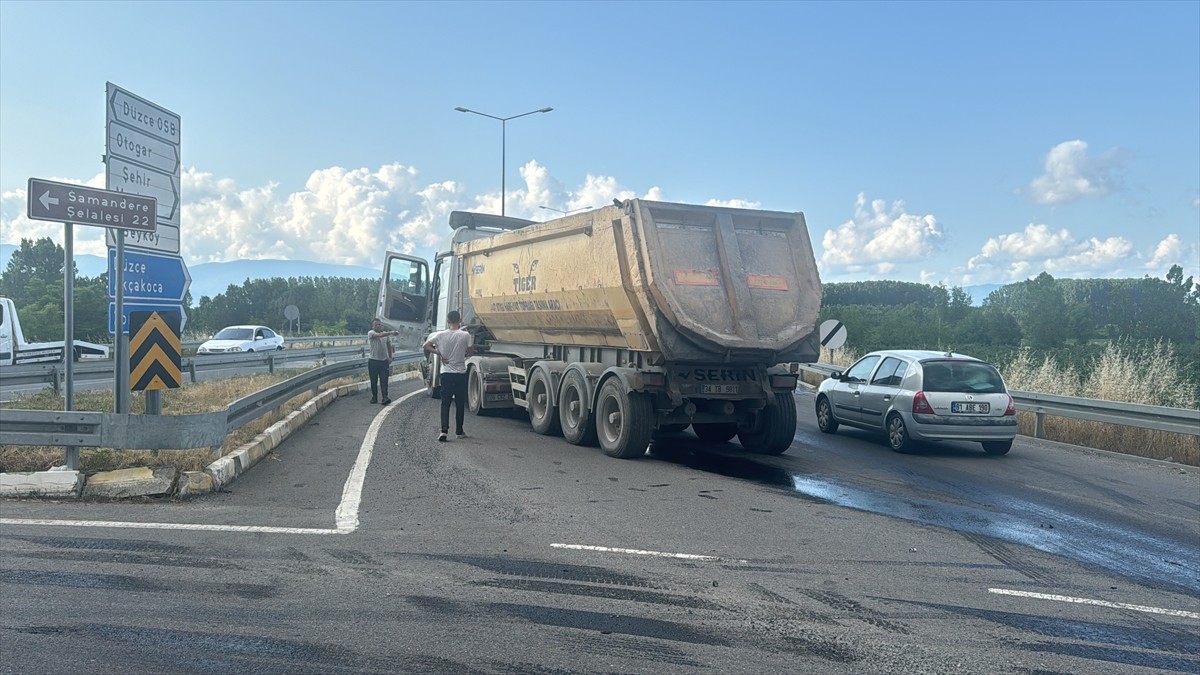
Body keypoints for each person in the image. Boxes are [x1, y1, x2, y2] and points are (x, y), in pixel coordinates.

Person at [423, 310, 474, 442]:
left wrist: (439, 354)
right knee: (459, 403)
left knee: (445, 403)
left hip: (446, 373)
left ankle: (444, 431)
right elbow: (470, 350)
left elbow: (426, 345)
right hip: (460, 373)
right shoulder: (465, 335)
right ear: (460, 320)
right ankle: (459, 431)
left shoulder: (440, 335)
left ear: (448, 321)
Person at [367, 318, 399, 405]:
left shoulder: (386, 336)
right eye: (376, 324)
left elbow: (389, 346)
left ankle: (385, 397)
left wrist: (390, 357)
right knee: (373, 380)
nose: (378, 326)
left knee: (384, 380)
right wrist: (391, 332)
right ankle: (374, 397)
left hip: (384, 361)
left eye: (379, 324)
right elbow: (379, 335)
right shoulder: (371, 333)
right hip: (373, 360)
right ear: (373, 326)